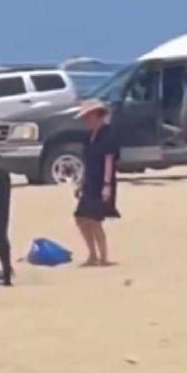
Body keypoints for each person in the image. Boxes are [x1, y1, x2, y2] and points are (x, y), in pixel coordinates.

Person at [74, 99, 120, 267]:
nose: (85, 120)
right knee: (80, 218)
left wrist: (107, 185)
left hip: (102, 183)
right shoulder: (88, 137)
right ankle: (92, 254)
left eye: (87, 116)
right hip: (90, 181)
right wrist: (81, 182)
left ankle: (103, 256)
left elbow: (109, 159)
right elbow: (87, 162)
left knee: (94, 220)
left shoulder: (107, 134)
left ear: (96, 115)